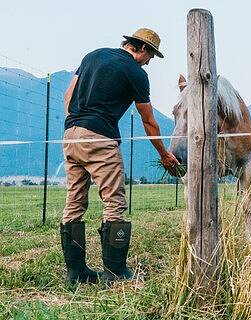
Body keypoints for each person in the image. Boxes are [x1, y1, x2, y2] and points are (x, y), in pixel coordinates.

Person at [60, 28, 179, 284]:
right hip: (100, 139)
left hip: (71, 135)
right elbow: (149, 121)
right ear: (143, 49)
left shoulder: (93, 55)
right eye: (151, 57)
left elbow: (68, 96)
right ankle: (115, 273)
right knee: (114, 202)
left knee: (74, 202)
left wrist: (76, 123)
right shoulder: (136, 73)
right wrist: (164, 154)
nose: (149, 62)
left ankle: (76, 273)